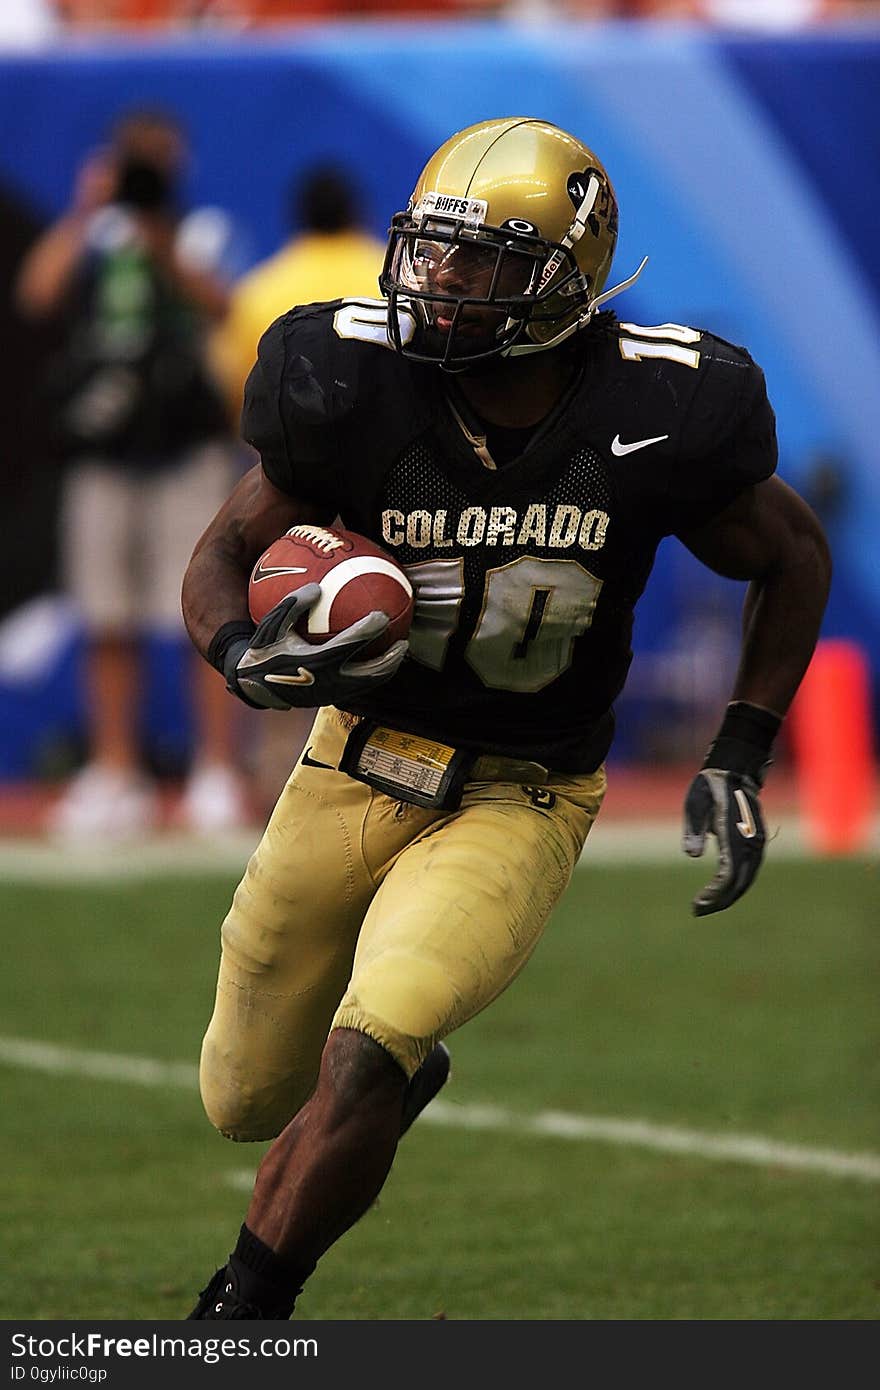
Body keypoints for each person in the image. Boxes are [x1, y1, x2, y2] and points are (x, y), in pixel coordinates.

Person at [180, 117, 831, 1319]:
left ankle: (240, 1310)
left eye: (479, 262)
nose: (437, 282)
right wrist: (238, 652)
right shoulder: (351, 382)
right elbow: (224, 549)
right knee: (243, 1097)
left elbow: (790, 553)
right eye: (430, 251)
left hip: (521, 790)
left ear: (565, 282)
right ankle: (381, 1093)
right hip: (353, 761)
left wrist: (740, 747)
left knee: (381, 1033)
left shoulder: (662, 406)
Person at [15, 106, 249, 837]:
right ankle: (116, 771)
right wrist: (88, 213)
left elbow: (223, 309)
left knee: (204, 612)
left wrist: (162, 245)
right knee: (106, 616)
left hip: (184, 446)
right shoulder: (94, 234)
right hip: (106, 449)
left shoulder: (195, 230)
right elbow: (36, 295)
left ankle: (216, 773)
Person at [210, 163, 386, 810]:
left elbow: (237, 395)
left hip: (290, 484)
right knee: (376, 614)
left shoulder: (262, 288)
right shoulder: (383, 271)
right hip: (383, 484)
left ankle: (278, 778)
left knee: (283, 611)